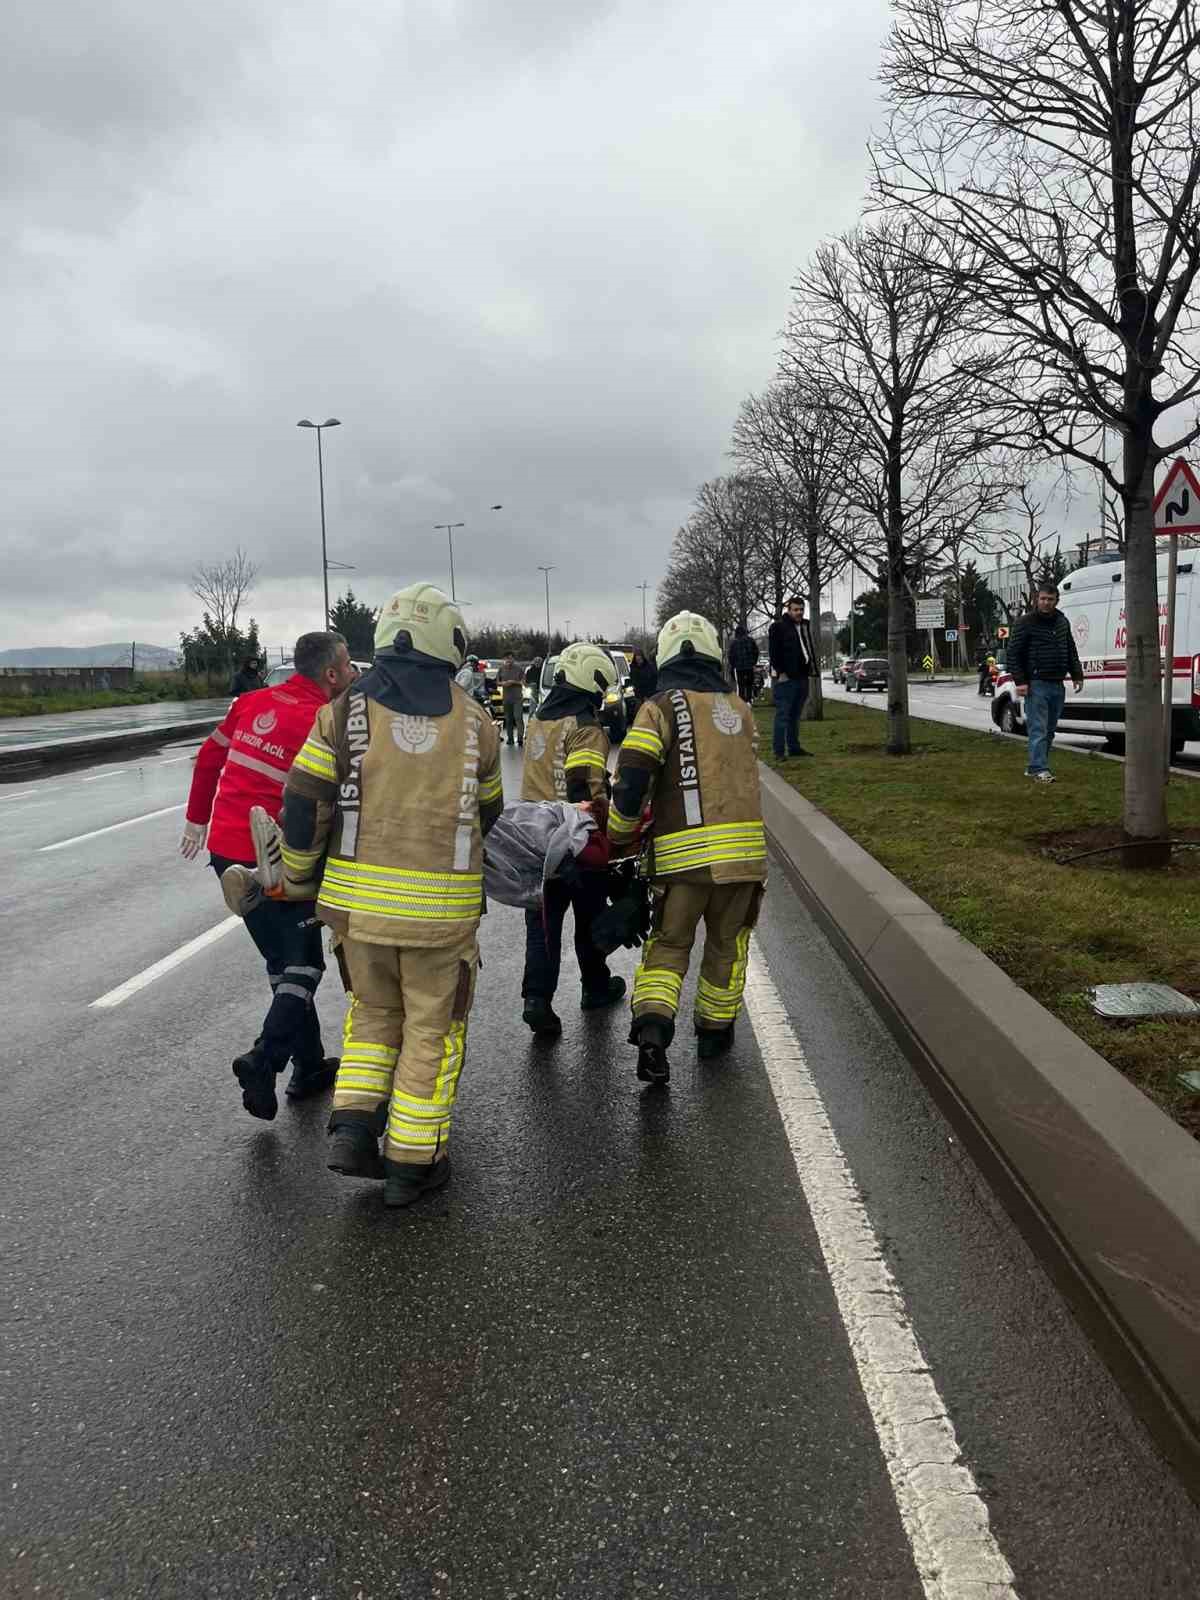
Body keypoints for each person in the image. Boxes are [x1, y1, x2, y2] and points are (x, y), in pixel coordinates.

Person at [276, 584, 503, 1207]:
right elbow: (491, 814)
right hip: (441, 919)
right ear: (448, 644)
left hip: (357, 912)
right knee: (432, 1030)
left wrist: (297, 874)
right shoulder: (475, 722)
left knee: (373, 1019)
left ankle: (351, 1128)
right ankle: (412, 1164)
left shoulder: (343, 712)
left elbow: (303, 799)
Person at [179, 631, 355, 1119]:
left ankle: (310, 1066)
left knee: (283, 961)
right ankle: (265, 1059)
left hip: (225, 850)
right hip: (275, 854)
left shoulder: (251, 702)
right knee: (304, 967)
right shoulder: (323, 720)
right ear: (332, 674)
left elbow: (209, 758)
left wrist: (197, 819)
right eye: (349, 667)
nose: (353, 675)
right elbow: (338, 799)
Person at [607, 611, 766, 1086]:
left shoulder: (659, 707)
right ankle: (714, 1033)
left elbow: (633, 777)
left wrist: (619, 837)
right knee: (726, 947)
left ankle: (654, 1030)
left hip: (682, 865)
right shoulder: (740, 709)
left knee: (669, 947)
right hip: (742, 861)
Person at [519, 643, 626, 1036]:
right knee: (589, 918)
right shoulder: (586, 726)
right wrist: (607, 811)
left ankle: (536, 999)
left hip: (533, 839)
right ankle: (595, 987)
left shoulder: (538, 719)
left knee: (542, 925)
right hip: (575, 839)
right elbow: (582, 783)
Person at [1009, 584, 1084, 783]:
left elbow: (1070, 649)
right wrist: (1021, 681)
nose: (1046, 602)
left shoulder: (1062, 622)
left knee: (1049, 730)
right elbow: (1013, 654)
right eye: (1043, 598)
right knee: (1038, 729)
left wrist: (1077, 674)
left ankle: (1035, 766)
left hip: (1057, 683)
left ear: (1056, 600)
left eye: (1050, 599)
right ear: (1036, 599)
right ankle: (1039, 768)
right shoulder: (1025, 622)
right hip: (1036, 683)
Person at [767, 596, 815, 758]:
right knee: (783, 716)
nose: (799, 612)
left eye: (801, 609)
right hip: (786, 679)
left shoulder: (805, 626)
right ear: (789, 610)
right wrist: (781, 673)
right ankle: (778, 751)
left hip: (802, 677)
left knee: (795, 715)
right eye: (796, 609)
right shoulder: (778, 627)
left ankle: (794, 748)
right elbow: (774, 653)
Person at [498, 652, 526, 747]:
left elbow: (523, 682)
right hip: (506, 698)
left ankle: (520, 738)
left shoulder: (519, 669)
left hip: (517, 698)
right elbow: (497, 682)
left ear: (513, 659)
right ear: (504, 659)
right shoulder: (501, 669)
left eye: (510, 658)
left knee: (518, 717)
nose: (508, 660)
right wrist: (503, 684)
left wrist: (514, 682)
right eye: (506, 659)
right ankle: (510, 739)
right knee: (508, 719)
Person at [728, 622, 759, 704]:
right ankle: (749, 700)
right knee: (749, 684)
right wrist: (753, 662)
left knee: (740, 685)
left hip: (739, 668)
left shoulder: (734, 643)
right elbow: (756, 652)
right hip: (749, 667)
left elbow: (731, 656)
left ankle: (741, 701)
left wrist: (733, 665)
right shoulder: (751, 640)